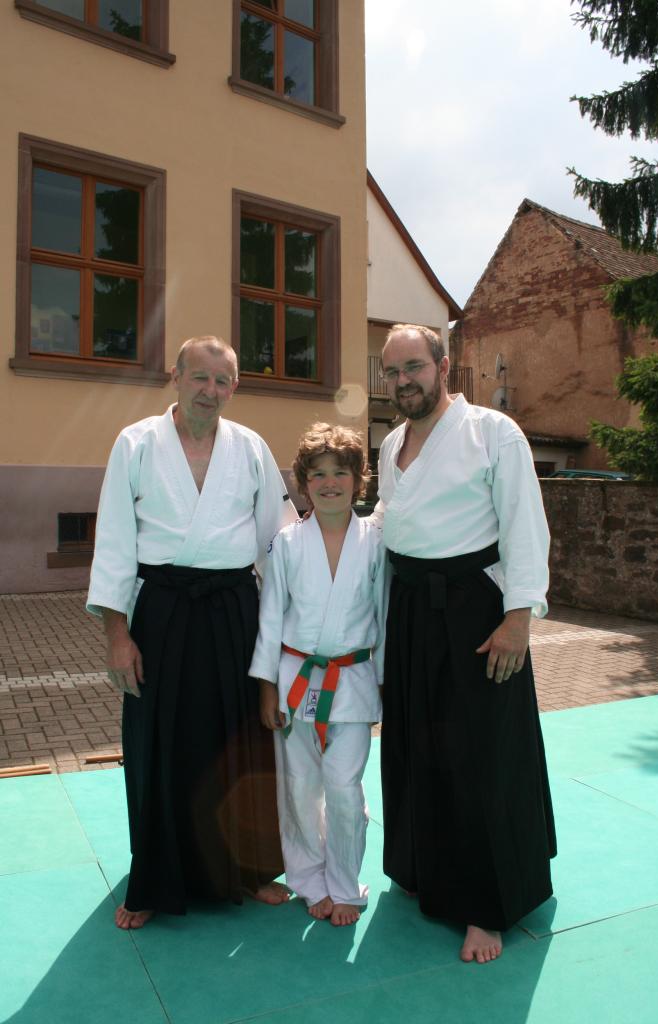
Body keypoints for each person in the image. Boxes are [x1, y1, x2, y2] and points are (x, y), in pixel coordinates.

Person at [87, 335, 297, 929]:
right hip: (163, 612)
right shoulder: (135, 444)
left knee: (239, 741)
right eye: (199, 377)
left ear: (235, 387)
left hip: (235, 609)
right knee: (157, 742)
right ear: (174, 377)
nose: (211, 390)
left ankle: (249, 871)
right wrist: (117, 636)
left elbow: (275, 544)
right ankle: (154, 878)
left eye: (222, 380)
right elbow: (114, 546)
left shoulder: (251, 448)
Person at [374, 324, 556, 964]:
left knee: (480, 754)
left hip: (477, 613)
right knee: (413, 742)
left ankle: (486, 906)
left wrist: (519, 619)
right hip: (411, 612)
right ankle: (420, 868)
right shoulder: (390, 444)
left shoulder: (492, 433)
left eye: (414, 367)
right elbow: (387, 528)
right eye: (392, 371)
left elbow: (524, 527)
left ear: (444, 365)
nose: (403, 381)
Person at [250, 424, 386, 927]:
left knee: (346, 789)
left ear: (359, 480)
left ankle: (346, 884)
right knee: (301, 787)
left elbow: (385, 614)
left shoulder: (376, 542)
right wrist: (267, 685)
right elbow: (270, 615)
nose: (330, 483)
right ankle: (309, 881)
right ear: (303, 484)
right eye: (319, 474)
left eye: (341, 473)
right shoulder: (286, 543)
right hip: (294, 679)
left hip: (352, 680)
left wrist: (386, 683)